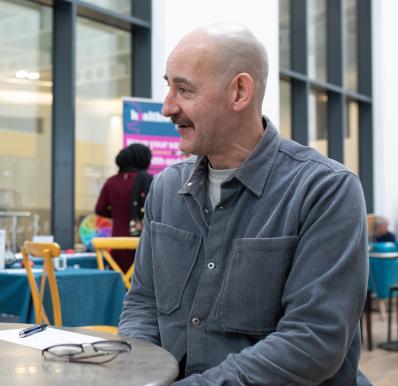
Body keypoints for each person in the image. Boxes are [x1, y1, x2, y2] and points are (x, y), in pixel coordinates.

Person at [118, 24, 369, 384]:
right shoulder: (166, 189)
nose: (167, 107)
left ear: (239, 92)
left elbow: (312, 342)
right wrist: (139, 374)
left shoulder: (325, 191)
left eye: (184, 89)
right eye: (168, 86)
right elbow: (142, 305)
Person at [94, 143, 153, 272]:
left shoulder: (111, 182)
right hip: (140, 243)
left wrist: (117, 213)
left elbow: (100, 209)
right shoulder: (148, 180)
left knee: (119, 280)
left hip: (116, 244)